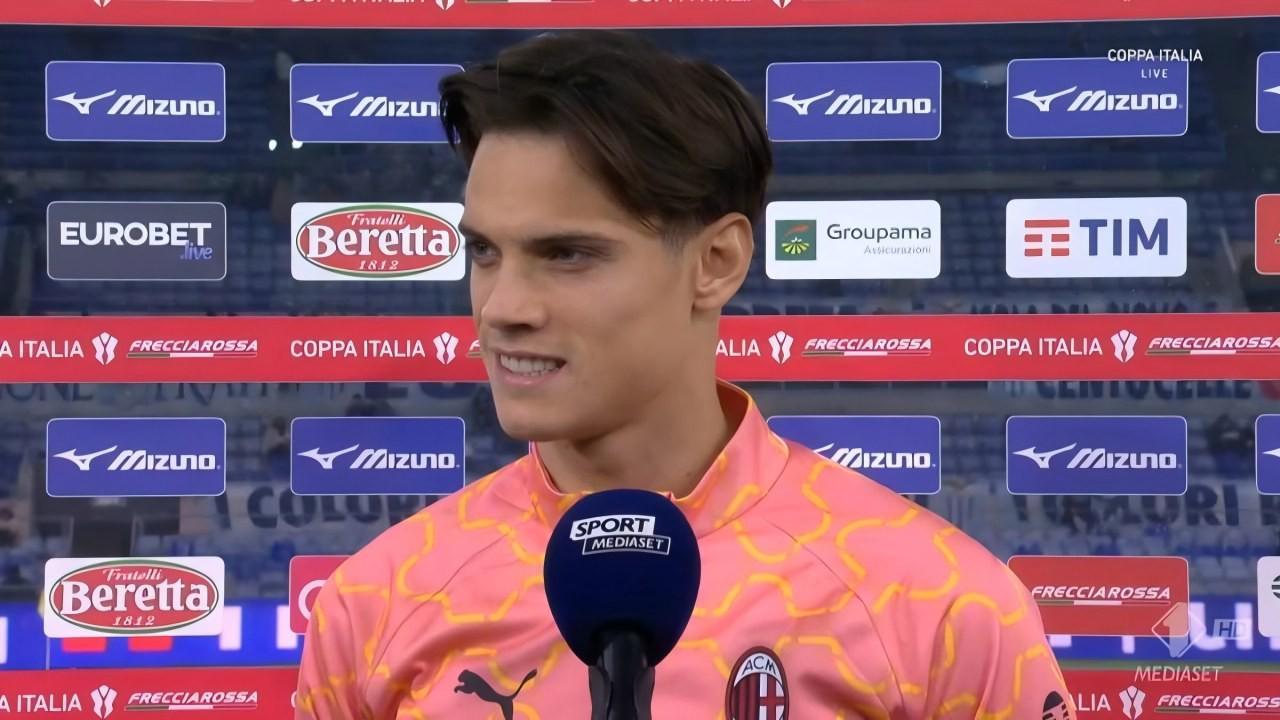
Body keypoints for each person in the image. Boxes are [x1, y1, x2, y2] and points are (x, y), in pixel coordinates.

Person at [296, 30, 1074, 719]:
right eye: (485, 252)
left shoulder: (944, 607)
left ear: (716, 262)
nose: (503, 308)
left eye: (567, 254)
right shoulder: (376, 604)